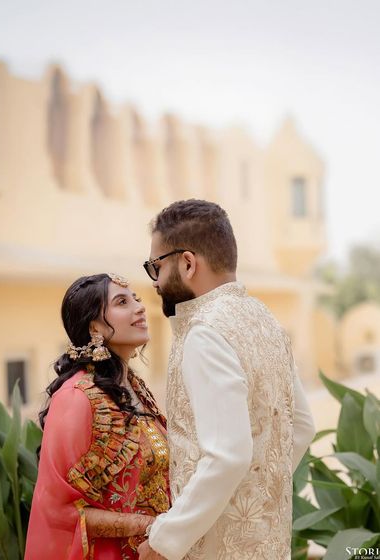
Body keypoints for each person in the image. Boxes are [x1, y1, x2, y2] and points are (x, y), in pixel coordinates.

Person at [138, 199, 316, 560]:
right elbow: (303, 427)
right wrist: (257, 492)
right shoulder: (264, 320)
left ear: (188, 263)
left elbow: (227, 457)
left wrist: (166, 540)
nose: (154, 281)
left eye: (156, 266)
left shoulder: (205, 332)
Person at [25, 273, 170, 560]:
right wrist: (153, 527)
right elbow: (60, 510)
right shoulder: (76, 398)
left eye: (137, 300)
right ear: (95, 326)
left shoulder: (135, 389)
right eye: (122, 302)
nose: (140, 307)